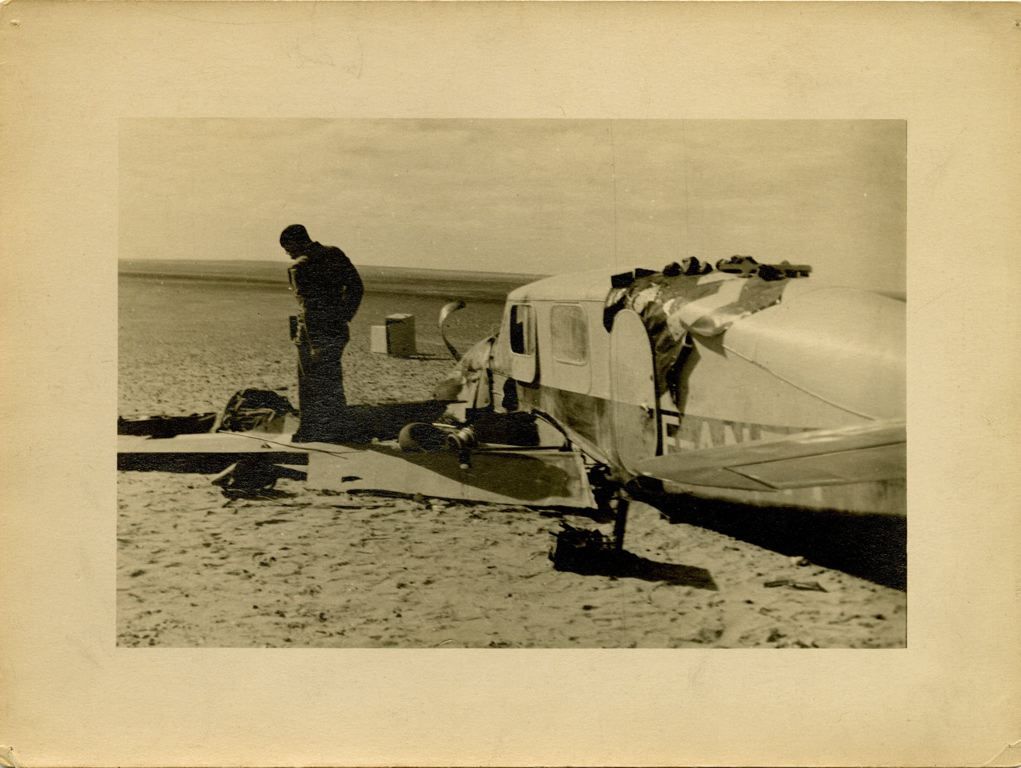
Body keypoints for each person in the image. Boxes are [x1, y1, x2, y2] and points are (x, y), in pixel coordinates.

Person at [281, 224, 363, 442]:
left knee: (309, 383)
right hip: (337, 329)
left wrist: (312, 341)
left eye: (287, 248)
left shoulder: (299, 267)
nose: (287, 253)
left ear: (295, 242)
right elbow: (356, 287)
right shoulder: (335, 254)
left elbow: (308, 307)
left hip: (313, 332)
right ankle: (338, 428)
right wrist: (343, 316)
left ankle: (309, 430)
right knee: (332, 381)